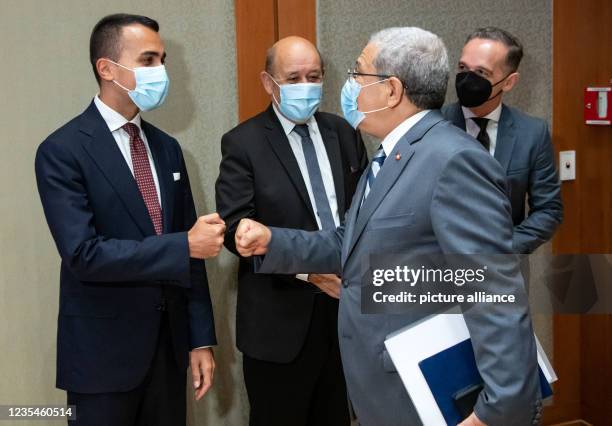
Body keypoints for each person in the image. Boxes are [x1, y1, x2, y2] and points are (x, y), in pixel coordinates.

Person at [234, 27, 543, 426]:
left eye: (357, 73)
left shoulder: (452, 161)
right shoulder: (392, 154)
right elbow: (353, 240)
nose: (349, 86)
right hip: (388, 386)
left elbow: (493, 291)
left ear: (392, 90)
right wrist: (273, 241)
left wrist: (497, 411)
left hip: (429, 387)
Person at [35, 14, 221, 426]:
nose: (162, 72)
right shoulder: (62, 150)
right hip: (101, 359)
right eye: (149, 60)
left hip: (169, 352)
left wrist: (200, 339)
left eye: (163, 59)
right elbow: (83, 253)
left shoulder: (168, 149)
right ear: (107, 68)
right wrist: (183, 245)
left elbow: (192, 248)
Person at [215, 36, 368, 426]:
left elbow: (364, 215)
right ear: (269, 83)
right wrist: (308, 270)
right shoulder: (243, 143)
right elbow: (236, 230)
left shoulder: (345, 133)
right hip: (278, 324)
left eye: (313, 76)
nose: (305, 86)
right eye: (293, 77)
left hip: (343, 317)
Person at [443, 27, 562, 254]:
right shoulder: (432, 125)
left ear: (508, 82)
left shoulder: (532, 133)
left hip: (504, 271)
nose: (467, 79)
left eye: (481, 72)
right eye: (462, 68)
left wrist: (504, 248)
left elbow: (549, 210)